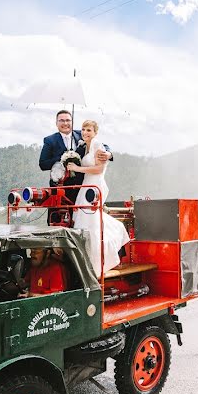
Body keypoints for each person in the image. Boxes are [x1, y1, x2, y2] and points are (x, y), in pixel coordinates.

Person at [66, 120, 130, 275]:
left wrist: (77, 168)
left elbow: (99, 169)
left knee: (92, 222)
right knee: (84, 220)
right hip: (86, 185)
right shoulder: (83, 145)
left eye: (89, 130)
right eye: (83, 129)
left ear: (95, 132)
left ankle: (95, 265)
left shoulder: (98, 145)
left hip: (94, 185)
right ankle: (86, 260)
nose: (85, 132)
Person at [39, 110, 111, 187]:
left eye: (68, 120)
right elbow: (43, 164)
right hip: (60, 186)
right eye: (61, 120)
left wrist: (109, 154)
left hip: (82, 184)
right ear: (56, 123)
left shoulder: (83, 134)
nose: (65, 123)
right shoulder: (50, 140)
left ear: (72, 122)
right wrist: (63, 158)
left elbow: (101, 145)